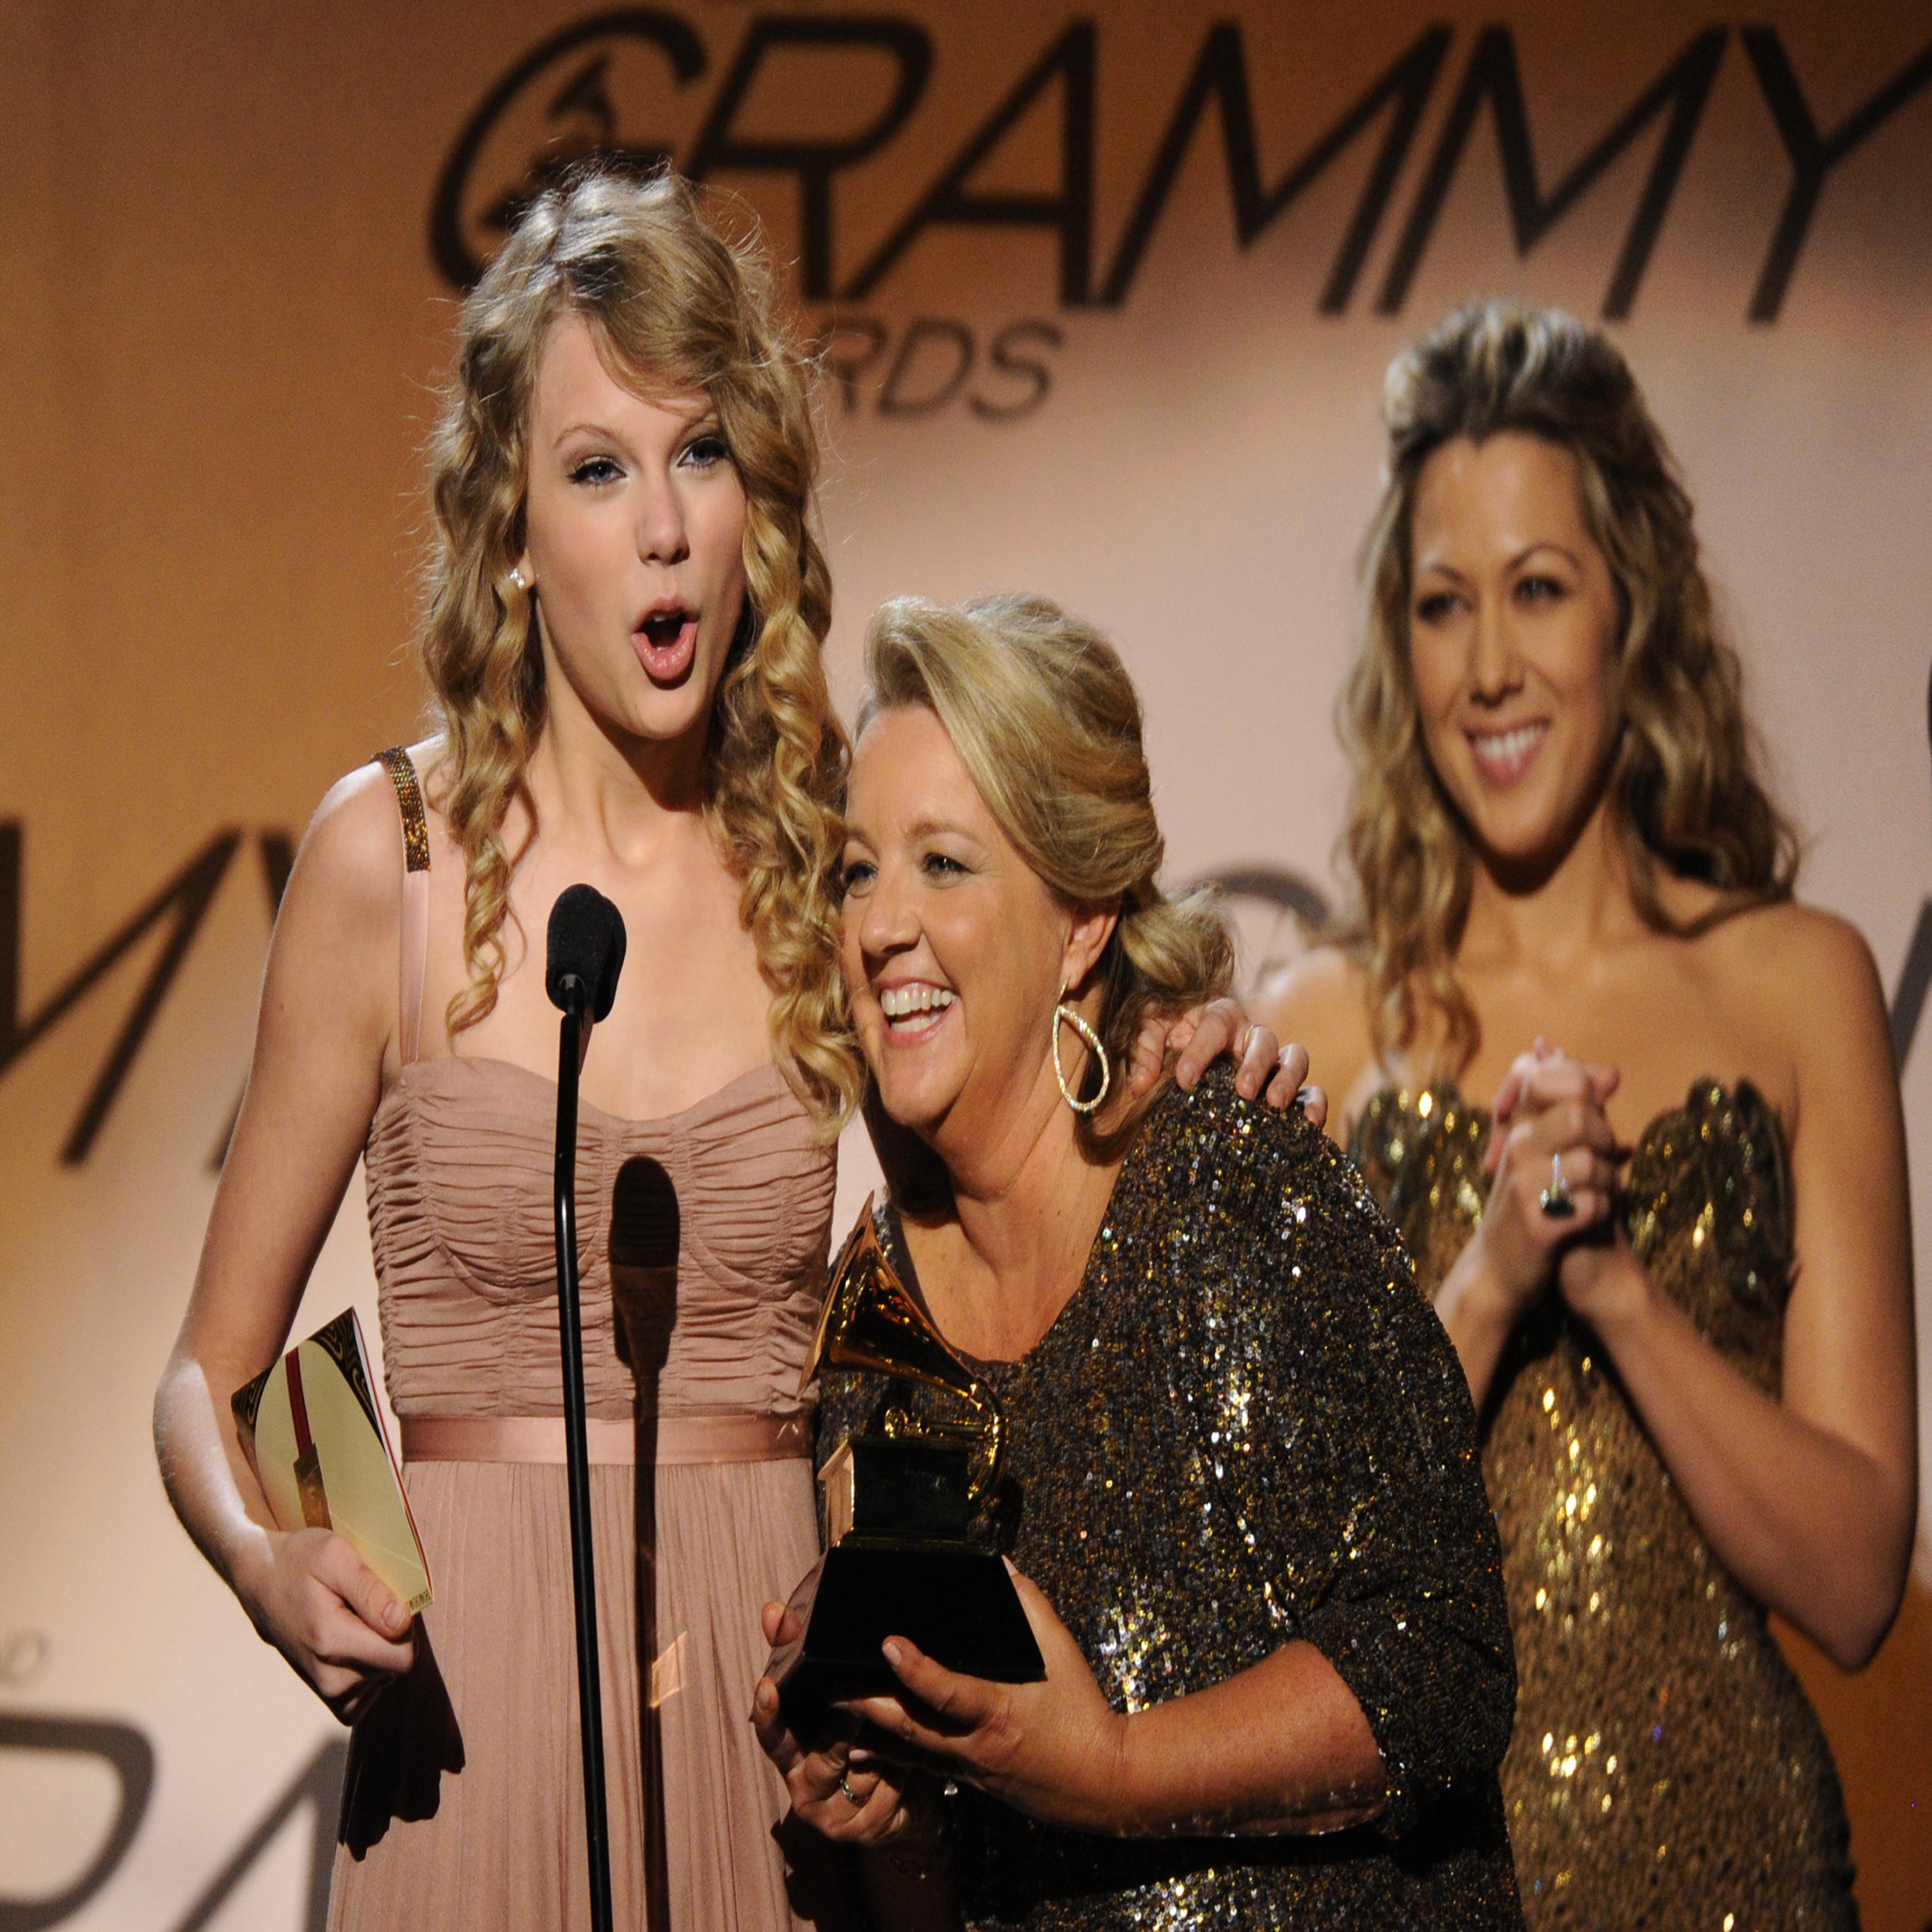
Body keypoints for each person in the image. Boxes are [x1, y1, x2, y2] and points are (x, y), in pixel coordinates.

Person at [152, 166, 1303, 1932]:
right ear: (516, 530)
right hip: (469, 1739)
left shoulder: (826, 861)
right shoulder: (383, 858)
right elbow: (207, 1377)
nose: (665, 523)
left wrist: (1168, 1044)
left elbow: (1022, 1119)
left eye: (700, 454)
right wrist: (263, 1557)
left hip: (771, 1742)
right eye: (599, 469)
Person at [1260, 299, 1918, 1925]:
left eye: (1538, 590)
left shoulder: (1797, 986)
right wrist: (1487, 1271)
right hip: (1415, 1885)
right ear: (1395, 645)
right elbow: (1288, 1585)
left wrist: (1613, 1280)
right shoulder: (1326, 1028)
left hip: (1740, 1879)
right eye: (1441, 603)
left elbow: (1850, 1582)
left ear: (1632, 607)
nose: (1488, 665)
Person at [753, 592, 1524, 1929]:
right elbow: (948, 1867)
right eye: (856, 870)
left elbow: (1444, 1657)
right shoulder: (875, 1331)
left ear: (1082, 920)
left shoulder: (1234, 1183)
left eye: (944, 864)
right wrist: (875, 1788)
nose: (880, 927)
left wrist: (1111, 1771)